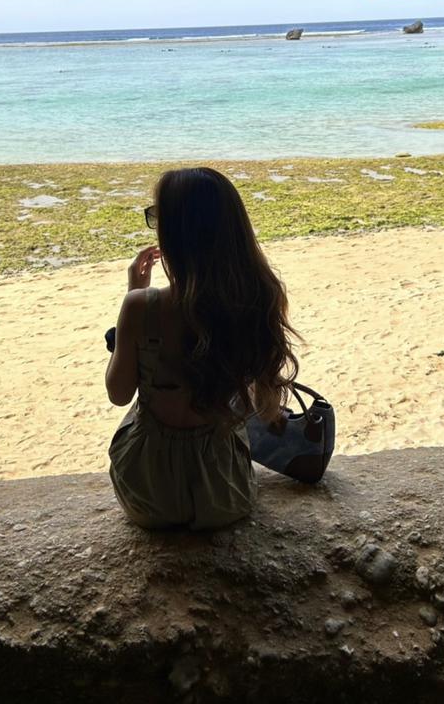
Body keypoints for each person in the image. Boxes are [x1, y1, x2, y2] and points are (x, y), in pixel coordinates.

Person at [105, 166, 299, 530]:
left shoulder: (140, 307)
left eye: (156, 216)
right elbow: (266, 407)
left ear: (173, 235)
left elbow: (118, 393)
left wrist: (133, 295)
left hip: (148, 494)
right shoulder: (258, 299)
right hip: (224, 495)